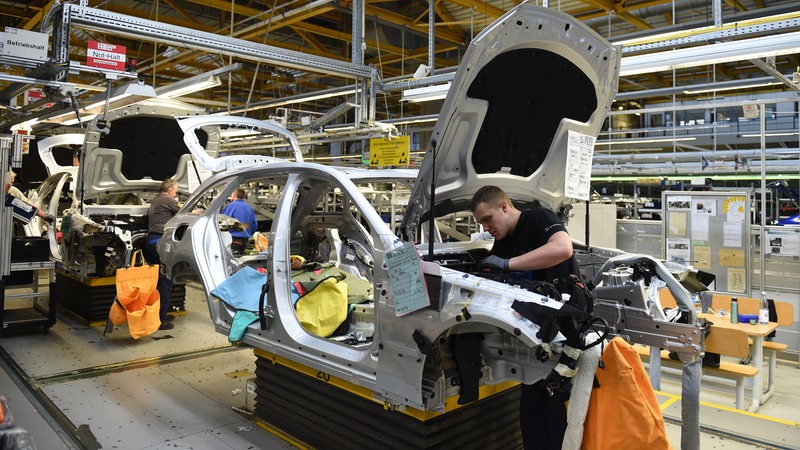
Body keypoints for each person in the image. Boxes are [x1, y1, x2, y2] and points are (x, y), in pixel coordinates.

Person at [470, 185, 578, 450]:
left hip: (565, 334)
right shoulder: (503, 242)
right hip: (535, 340)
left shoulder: (538, 218)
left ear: (504, 207)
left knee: (556, 415)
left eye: (487, 219)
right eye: (480, 223)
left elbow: (563, 249)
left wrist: (508, 264)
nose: (485, 227)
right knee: (531, 413)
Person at [143, 178, 180, 330]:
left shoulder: (157, 199)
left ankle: (158, 313)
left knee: (159, 280)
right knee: (164, 281)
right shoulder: (167, 199)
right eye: (176, 192)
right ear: (171, 191)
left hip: (151, 242)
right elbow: (184, 210)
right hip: (160, 244)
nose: (175, 194)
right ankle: (160, 319)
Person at [221, 188, 257, 255]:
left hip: (233, 240)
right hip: (245, 241)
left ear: (234, 195)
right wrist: (247, 234)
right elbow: (254, 225)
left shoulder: (230, 206)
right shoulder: (249, 208)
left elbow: (222, 222)